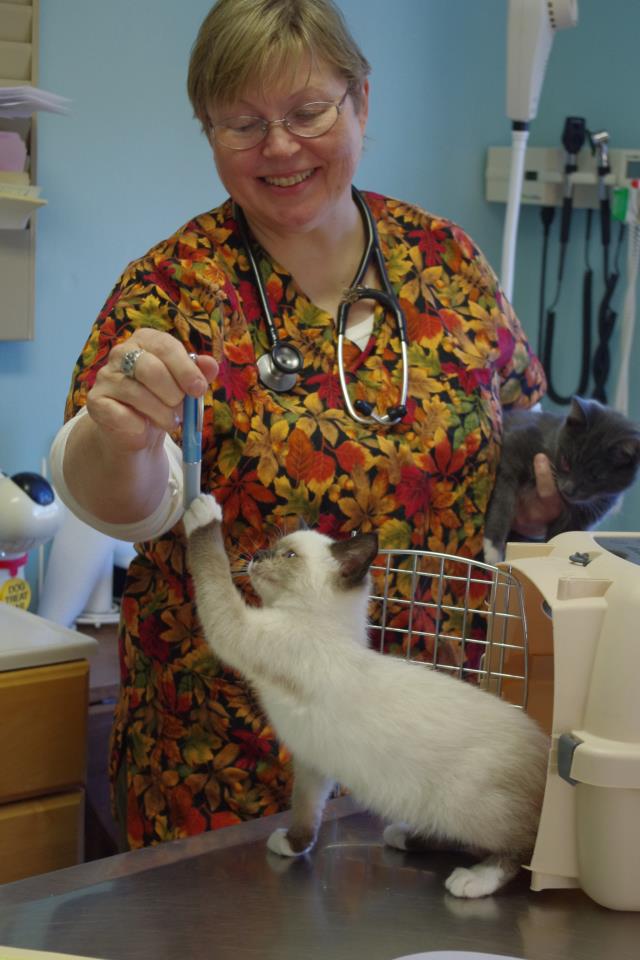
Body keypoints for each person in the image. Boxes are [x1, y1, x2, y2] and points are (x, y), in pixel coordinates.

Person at [50, 0, 561, 850]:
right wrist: (120, 434)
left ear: (361, 102)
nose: (280, 147)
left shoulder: (447, 260)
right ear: (206, 133)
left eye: (308, 111)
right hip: (232, 759)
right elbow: (119, 503)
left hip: (433, 746)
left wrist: (542, 501)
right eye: (243, 123)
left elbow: (522, 428)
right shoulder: (174, 291)